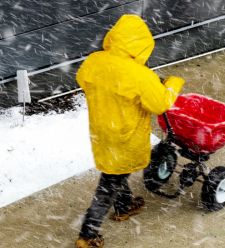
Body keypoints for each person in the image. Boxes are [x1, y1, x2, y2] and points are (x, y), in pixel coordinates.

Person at [74, 15, 185, 248]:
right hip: (125, 135)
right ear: (141, 45)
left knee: (116, 171)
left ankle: (124, 207)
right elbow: (160, 104)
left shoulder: (95, 61)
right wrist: (173, 83)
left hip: (102, 129)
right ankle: (88, 234)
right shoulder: (140, 75)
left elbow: (83, 79)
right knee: (109, 184)